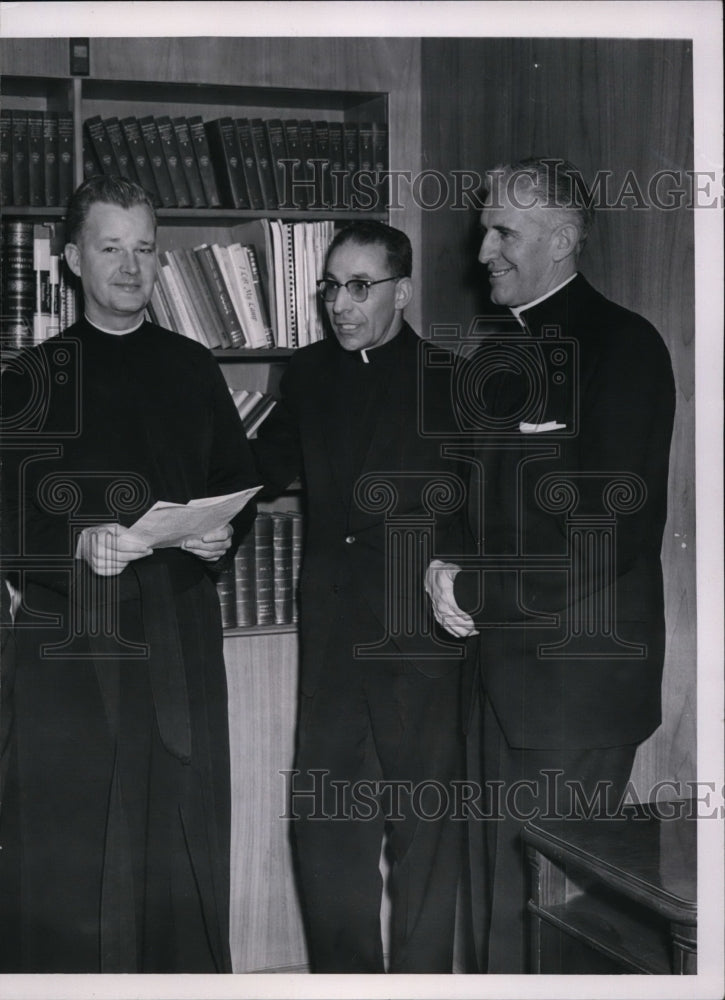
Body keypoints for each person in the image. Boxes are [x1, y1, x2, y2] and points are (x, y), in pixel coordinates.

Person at [0, 175, 258, 972]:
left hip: (178, 634)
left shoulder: (190, 365)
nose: (129, 264)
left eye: (145, 248)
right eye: (110, 247)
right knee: (76, 850)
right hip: (69, 648)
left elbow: (233, 482)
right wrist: (77, 544)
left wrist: (223, 533)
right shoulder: (30, 377)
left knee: (180, 844)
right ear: (73, 258)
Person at [425, 157, 676, 973]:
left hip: (573, 695)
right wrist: (445, 565)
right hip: (496, 680)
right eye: (484, 228)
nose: (483, 249)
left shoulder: (623, 348)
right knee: (495, 914)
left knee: (548, 935)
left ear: (563, 240)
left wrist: (476, 586)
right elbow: (474, 500)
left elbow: (607, 532)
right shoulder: (500, 354)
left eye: (503, 230)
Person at [251, 221, 467, 973]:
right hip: (334, 649)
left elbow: (484, 510)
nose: (338, 304)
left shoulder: (452, 381)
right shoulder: (306, 374)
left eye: (358, 287)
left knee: (424, 847)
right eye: (329, 286)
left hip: (421, 652)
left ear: (401, 292)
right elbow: (261, 469)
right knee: (327, 839)